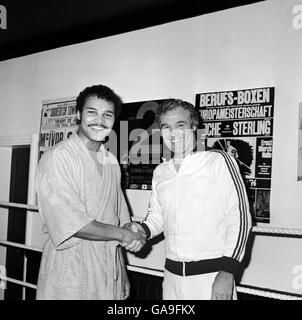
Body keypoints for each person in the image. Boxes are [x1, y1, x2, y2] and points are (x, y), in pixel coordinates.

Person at [125, 99, 252, 300]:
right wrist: (141, 230)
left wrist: (228, 272)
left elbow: (240, 218)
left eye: (180, 125)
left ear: (194, 126)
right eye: (166, 127)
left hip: (210, 280)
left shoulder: (218, 161)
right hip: (171, 280)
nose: (173, 133)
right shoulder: (161, 171)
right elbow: (157, 218)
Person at [35, 85, 146, 300]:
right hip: (69, 268)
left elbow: (118, 222)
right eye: (92, 112)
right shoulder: (57, 158)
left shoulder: (111, 162)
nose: (99, 120)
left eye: (107, 114)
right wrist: (125, 234)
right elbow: (70, 223)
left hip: (107, 270)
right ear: (78, 114)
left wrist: (121, 272)